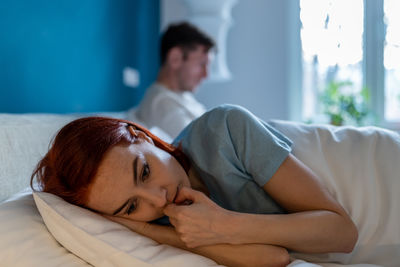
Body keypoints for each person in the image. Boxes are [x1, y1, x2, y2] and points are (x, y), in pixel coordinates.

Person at [31, 104, 362, 267]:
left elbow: (343, 233)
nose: (158, 199)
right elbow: (273, 258)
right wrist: (148, 231)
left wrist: (225, 225)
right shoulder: (161, 218)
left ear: (143, 136)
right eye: (130, 206)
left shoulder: (223, 131)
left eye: (144, 171)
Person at [134, 22, 215, 138]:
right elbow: (201, 152)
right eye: (201, 64)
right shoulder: (162, 104)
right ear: (175, 58)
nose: (206, 75)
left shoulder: (181, 97)